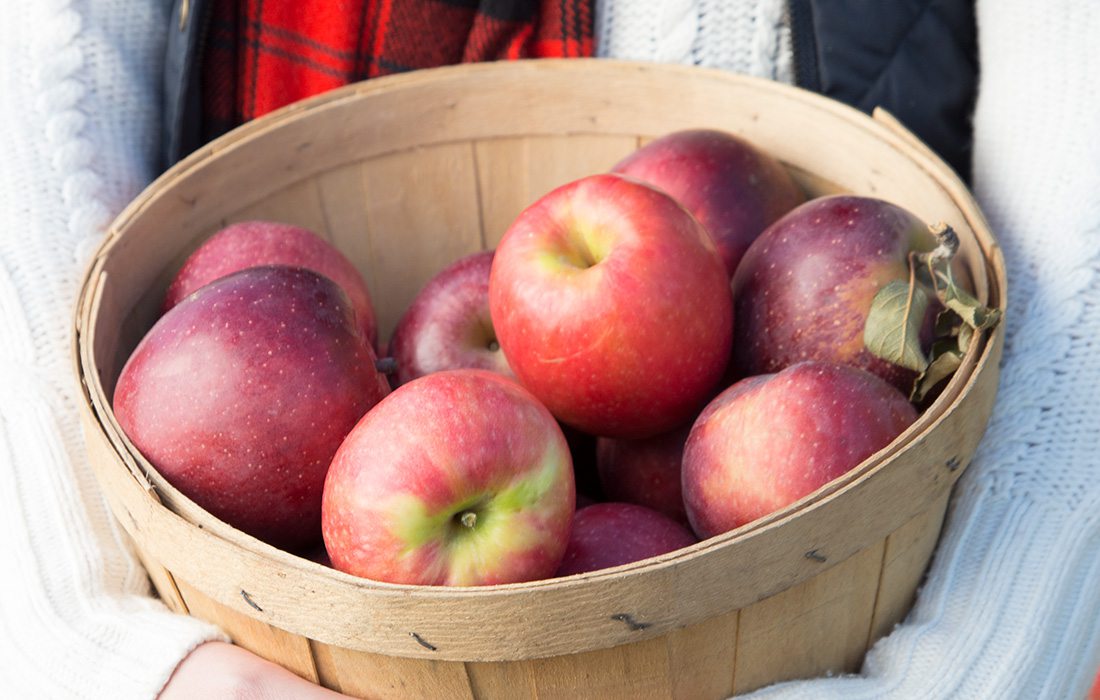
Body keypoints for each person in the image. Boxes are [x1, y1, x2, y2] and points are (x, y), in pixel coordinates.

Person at [1, 1, 1097, 697]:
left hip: (834, 583)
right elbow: (38, 80)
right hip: (262, 552)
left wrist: (966, 674)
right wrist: (95, 640)